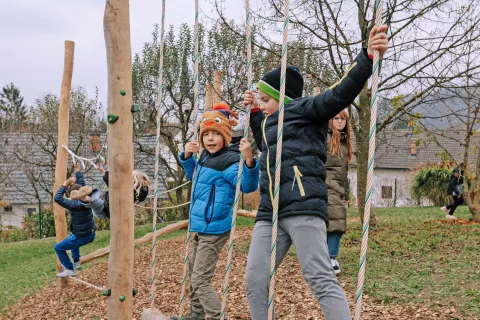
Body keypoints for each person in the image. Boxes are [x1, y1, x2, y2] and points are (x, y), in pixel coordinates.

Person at [242, 25, 389, 320]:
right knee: (255, 280)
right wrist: (256, 114)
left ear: (283, 98)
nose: (261, 103)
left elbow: (339, 94)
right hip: (270, 213)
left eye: (265, 99)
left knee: (319, 277)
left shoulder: (305, 110)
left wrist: (368, 57)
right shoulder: (271, 123)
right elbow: (265, 144)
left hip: (303, 207)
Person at [173, 102, 260, 320]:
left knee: (200, 279)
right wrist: (186, 157)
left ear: (226, 137)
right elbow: (197, 178)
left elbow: (247, 186)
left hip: (214, 228)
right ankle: (195, 316)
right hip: (201, 226)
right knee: (194, 276)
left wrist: (249, 161)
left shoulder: (230, 161)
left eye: (215, 134)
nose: (210, 139)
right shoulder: (204, 157)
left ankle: (214, 316)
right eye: (206, 134)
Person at [53, 170, 98, 277]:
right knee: (73, 236)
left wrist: (66, 184)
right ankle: (76, 261)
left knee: (58, 247)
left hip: (82, 236)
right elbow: (82, 184)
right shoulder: (87, 199)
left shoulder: (72, 204)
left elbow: (57, 198)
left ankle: (69, 269)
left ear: (72, 195)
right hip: (91, 233)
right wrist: (77, 171)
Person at [326, 109, 353, 276]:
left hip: (338, 188)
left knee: (336, 221)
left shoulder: (344, 142)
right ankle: (331, 257)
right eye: (336, 118)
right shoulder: (325, 137)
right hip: (326, 185)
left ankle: (329, 256)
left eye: (343, 119)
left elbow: (345, 172)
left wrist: (347, 194)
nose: (339, 121)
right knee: (335, 221)